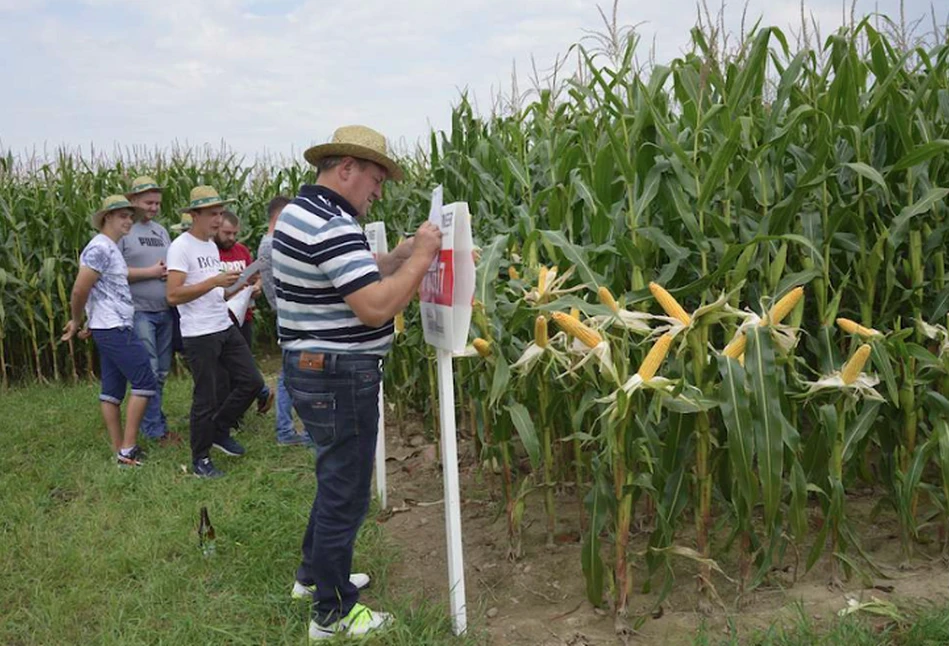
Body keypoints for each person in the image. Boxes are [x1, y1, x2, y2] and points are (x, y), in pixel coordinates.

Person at [274, 125, 442, 640]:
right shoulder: (331, 223)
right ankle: (333, 613)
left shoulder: (308, 214)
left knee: (334, 481)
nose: (379, 190)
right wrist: (420, 258)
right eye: (375, 178)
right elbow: (374, 307)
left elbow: (358, 275)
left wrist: (396, 257)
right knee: (346, 492)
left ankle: (313, 577)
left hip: (312, 367)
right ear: (345, 168)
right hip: (339, 374)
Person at [165, 185, 266, 478]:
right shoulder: (181, 247)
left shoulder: (210, 246)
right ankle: (201, 459)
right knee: (206, 397)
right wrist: (214, 282)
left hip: (223, 323)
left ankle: (219, 430)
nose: (219, 220)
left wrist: (238, 285)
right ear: (194, 214)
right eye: (212, 214)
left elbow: (217, 294)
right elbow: (172, 295)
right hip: (199, 333)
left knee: (251, 381)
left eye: (220, 213)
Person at [62, 195, 157, 467]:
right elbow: (81, 288)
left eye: (130, 216)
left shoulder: (110, 247)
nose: (128, 221)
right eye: (122, 216)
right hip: (114, 327)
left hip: (109, 325)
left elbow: (100, 290)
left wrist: (92, 320)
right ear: (107, 218)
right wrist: (76, 319)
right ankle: (128, 449)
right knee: (145, 382)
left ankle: (120, 451)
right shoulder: (100, 248)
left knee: (112, 391)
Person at [120, 176, 180, 446]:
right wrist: (151, 273)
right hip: (139, 311)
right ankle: (155, 431)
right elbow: (113, 273)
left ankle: (155, 423)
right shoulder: (124, 232)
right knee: (150, 371)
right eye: (148, 202)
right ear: (133, 201)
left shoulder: (161, 231)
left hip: (164, 310)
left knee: (163, 373)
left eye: (157, 203)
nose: (154, 207)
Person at [257, 196, 311, 446]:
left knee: (289, 375)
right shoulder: (273, 246)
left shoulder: (268, 244)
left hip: (287, 317)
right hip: (293, 319)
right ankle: (301, 432)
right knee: (302, 376)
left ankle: (286, 431)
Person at [214, 210, 274, 415]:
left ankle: (238, 412)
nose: (231, 238)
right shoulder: (210, 252)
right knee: (226, 370)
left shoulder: (241, 251)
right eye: (226, 233)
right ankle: (254, 397)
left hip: (243, 318)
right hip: (219, 319)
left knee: (243, 366)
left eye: (234, 234)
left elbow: (256, 275)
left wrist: (257, 286)